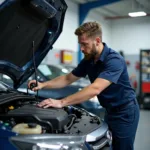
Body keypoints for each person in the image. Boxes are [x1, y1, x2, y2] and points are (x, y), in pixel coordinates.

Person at [28, 21, 139, 150]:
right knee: (108, 145)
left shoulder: (114, 60)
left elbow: (95, 89)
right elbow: (67, 78)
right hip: (110, 110)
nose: (81, 48)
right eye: (80, 43)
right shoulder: (89, 59)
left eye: (84, 44)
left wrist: (61, 102)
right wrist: (43, 84)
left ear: (97, 40)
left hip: (125, 112)